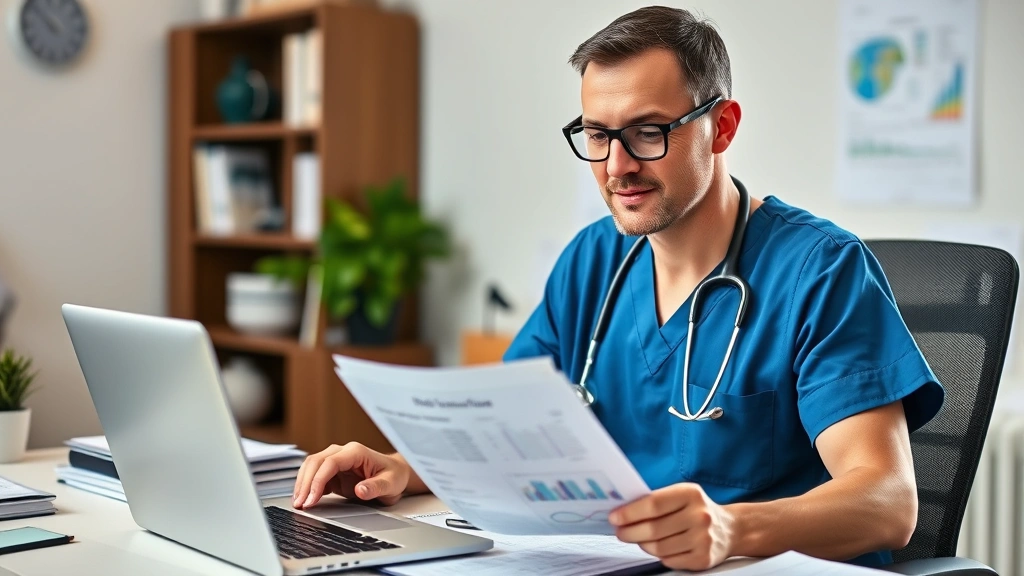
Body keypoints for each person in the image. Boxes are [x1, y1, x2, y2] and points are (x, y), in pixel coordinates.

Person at [291, 6, 944, 570]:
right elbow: (506, 437)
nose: (616, 166)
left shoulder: (820, 270)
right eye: (598, 136)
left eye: (647, 132)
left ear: (722, 127)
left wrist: (733, 528)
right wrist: (407, 469)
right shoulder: (594, 262)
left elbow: (887, 501)